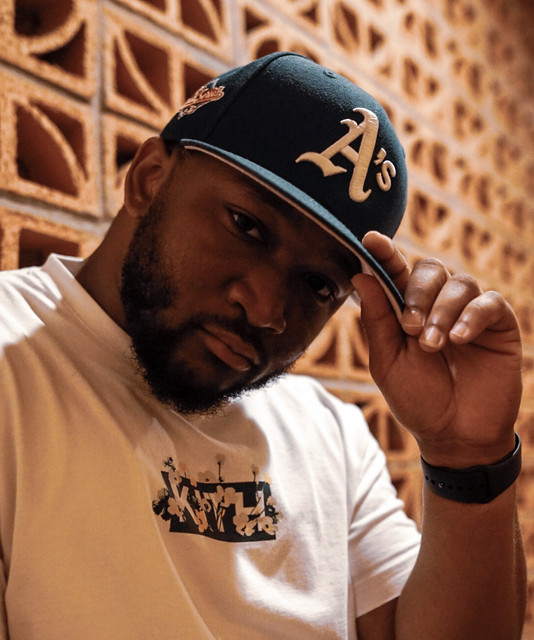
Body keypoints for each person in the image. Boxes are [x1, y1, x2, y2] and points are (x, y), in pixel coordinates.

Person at [0, 51, 526, 639]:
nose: (268, 310)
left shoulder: (331, 434)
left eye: (319, 284)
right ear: (150, 179)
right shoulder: (13, 362)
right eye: (246, 226)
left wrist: (466, 455)